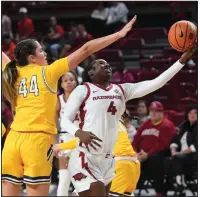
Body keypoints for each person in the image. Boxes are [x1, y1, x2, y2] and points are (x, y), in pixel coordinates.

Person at [2, 15, 137, 196]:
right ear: (32, 58)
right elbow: (86, 49)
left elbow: (2, 58)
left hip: (13, 140)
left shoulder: (12, 72)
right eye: (41, 51)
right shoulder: (48, 72)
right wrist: (118, 35)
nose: (45, 54)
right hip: (37, 141)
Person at [60, 43, 197, 196]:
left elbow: (156, 83)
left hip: (109, 159)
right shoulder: (83, 89)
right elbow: (64, 120)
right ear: (91, 73)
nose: (107, 66)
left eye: (108, 64)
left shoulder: (121, 90)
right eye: (101, 64)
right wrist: (79, 132)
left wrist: (181, 62)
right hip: (86, 156)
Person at [133, 101, 177, 196]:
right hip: (141, 154)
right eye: (152, 110)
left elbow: (163, 145)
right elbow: (136, 138)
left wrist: (147, 154)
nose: (154, 113)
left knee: (155, 159)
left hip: (160, 154)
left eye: (157, 111)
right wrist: (135, 152)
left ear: (162, 113)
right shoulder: (146, 123)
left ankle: (160, 192)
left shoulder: (167, 125)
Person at [56, 72, 79, 196]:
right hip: (64, 138)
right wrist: (54, 143)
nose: (69, 82)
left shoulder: (82, 97)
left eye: (71, 79)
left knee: (79, 176)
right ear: (61, 84)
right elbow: (54, 123)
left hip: (79, 138)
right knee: (64, 177)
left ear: (76, 81)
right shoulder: (58, 99)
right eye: (65, 80)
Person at [109, 112, 140, 197]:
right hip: (134, 164)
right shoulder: (121, 124)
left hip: (121, 163)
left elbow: (80, 141)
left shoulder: (104, 123)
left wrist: (67, 148)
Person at [169, 104, 197, 189]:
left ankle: (179, 182)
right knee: (166, 160)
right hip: (181, 156)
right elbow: (175, 139)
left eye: (195, 113)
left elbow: (195, 146)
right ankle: (174, 182)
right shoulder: (184, 126)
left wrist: (179, 153)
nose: (192, 115)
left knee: (177, 158)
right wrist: (173, 150)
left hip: (193, 156)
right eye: (190, 113)